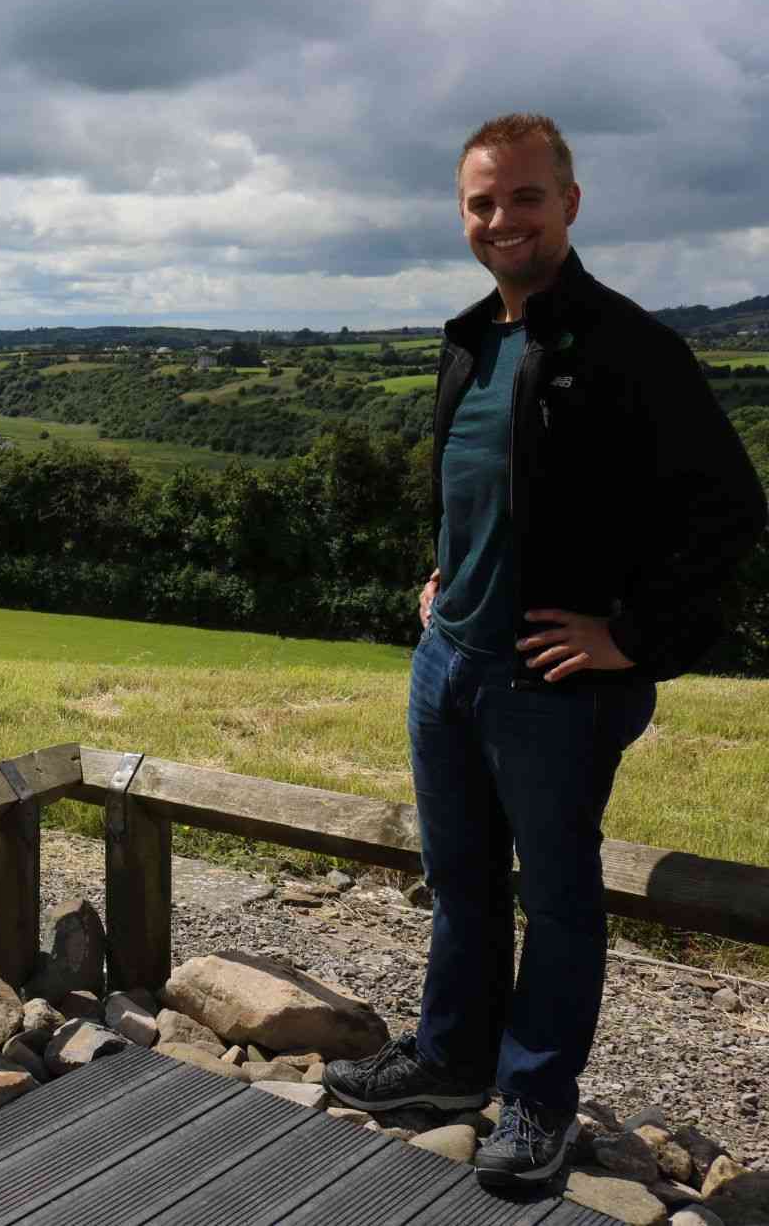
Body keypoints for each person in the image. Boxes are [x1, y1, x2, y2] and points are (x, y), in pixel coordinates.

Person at [322, 113, 768, 1189]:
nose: (501, 219)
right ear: (461, 215)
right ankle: (447, 1064)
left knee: (557, 898)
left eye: (524, 196)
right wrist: (444, 571)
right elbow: (477, 482)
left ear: (568, 202)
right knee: (459, 878)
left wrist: (631, 637)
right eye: (481, 202)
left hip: (551, 684)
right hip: (449, 662)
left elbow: (730, 510)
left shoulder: (629, 347)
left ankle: (534, 1102)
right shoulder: (470, 339)